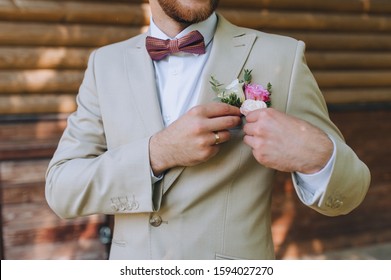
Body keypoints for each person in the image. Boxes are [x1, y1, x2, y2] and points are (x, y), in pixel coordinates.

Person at [45, 0, 370, 260]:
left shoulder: (280, 56)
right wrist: (158, 152)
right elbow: (62, 190)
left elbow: (351, 192)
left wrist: (318, 157)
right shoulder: (105, 64)